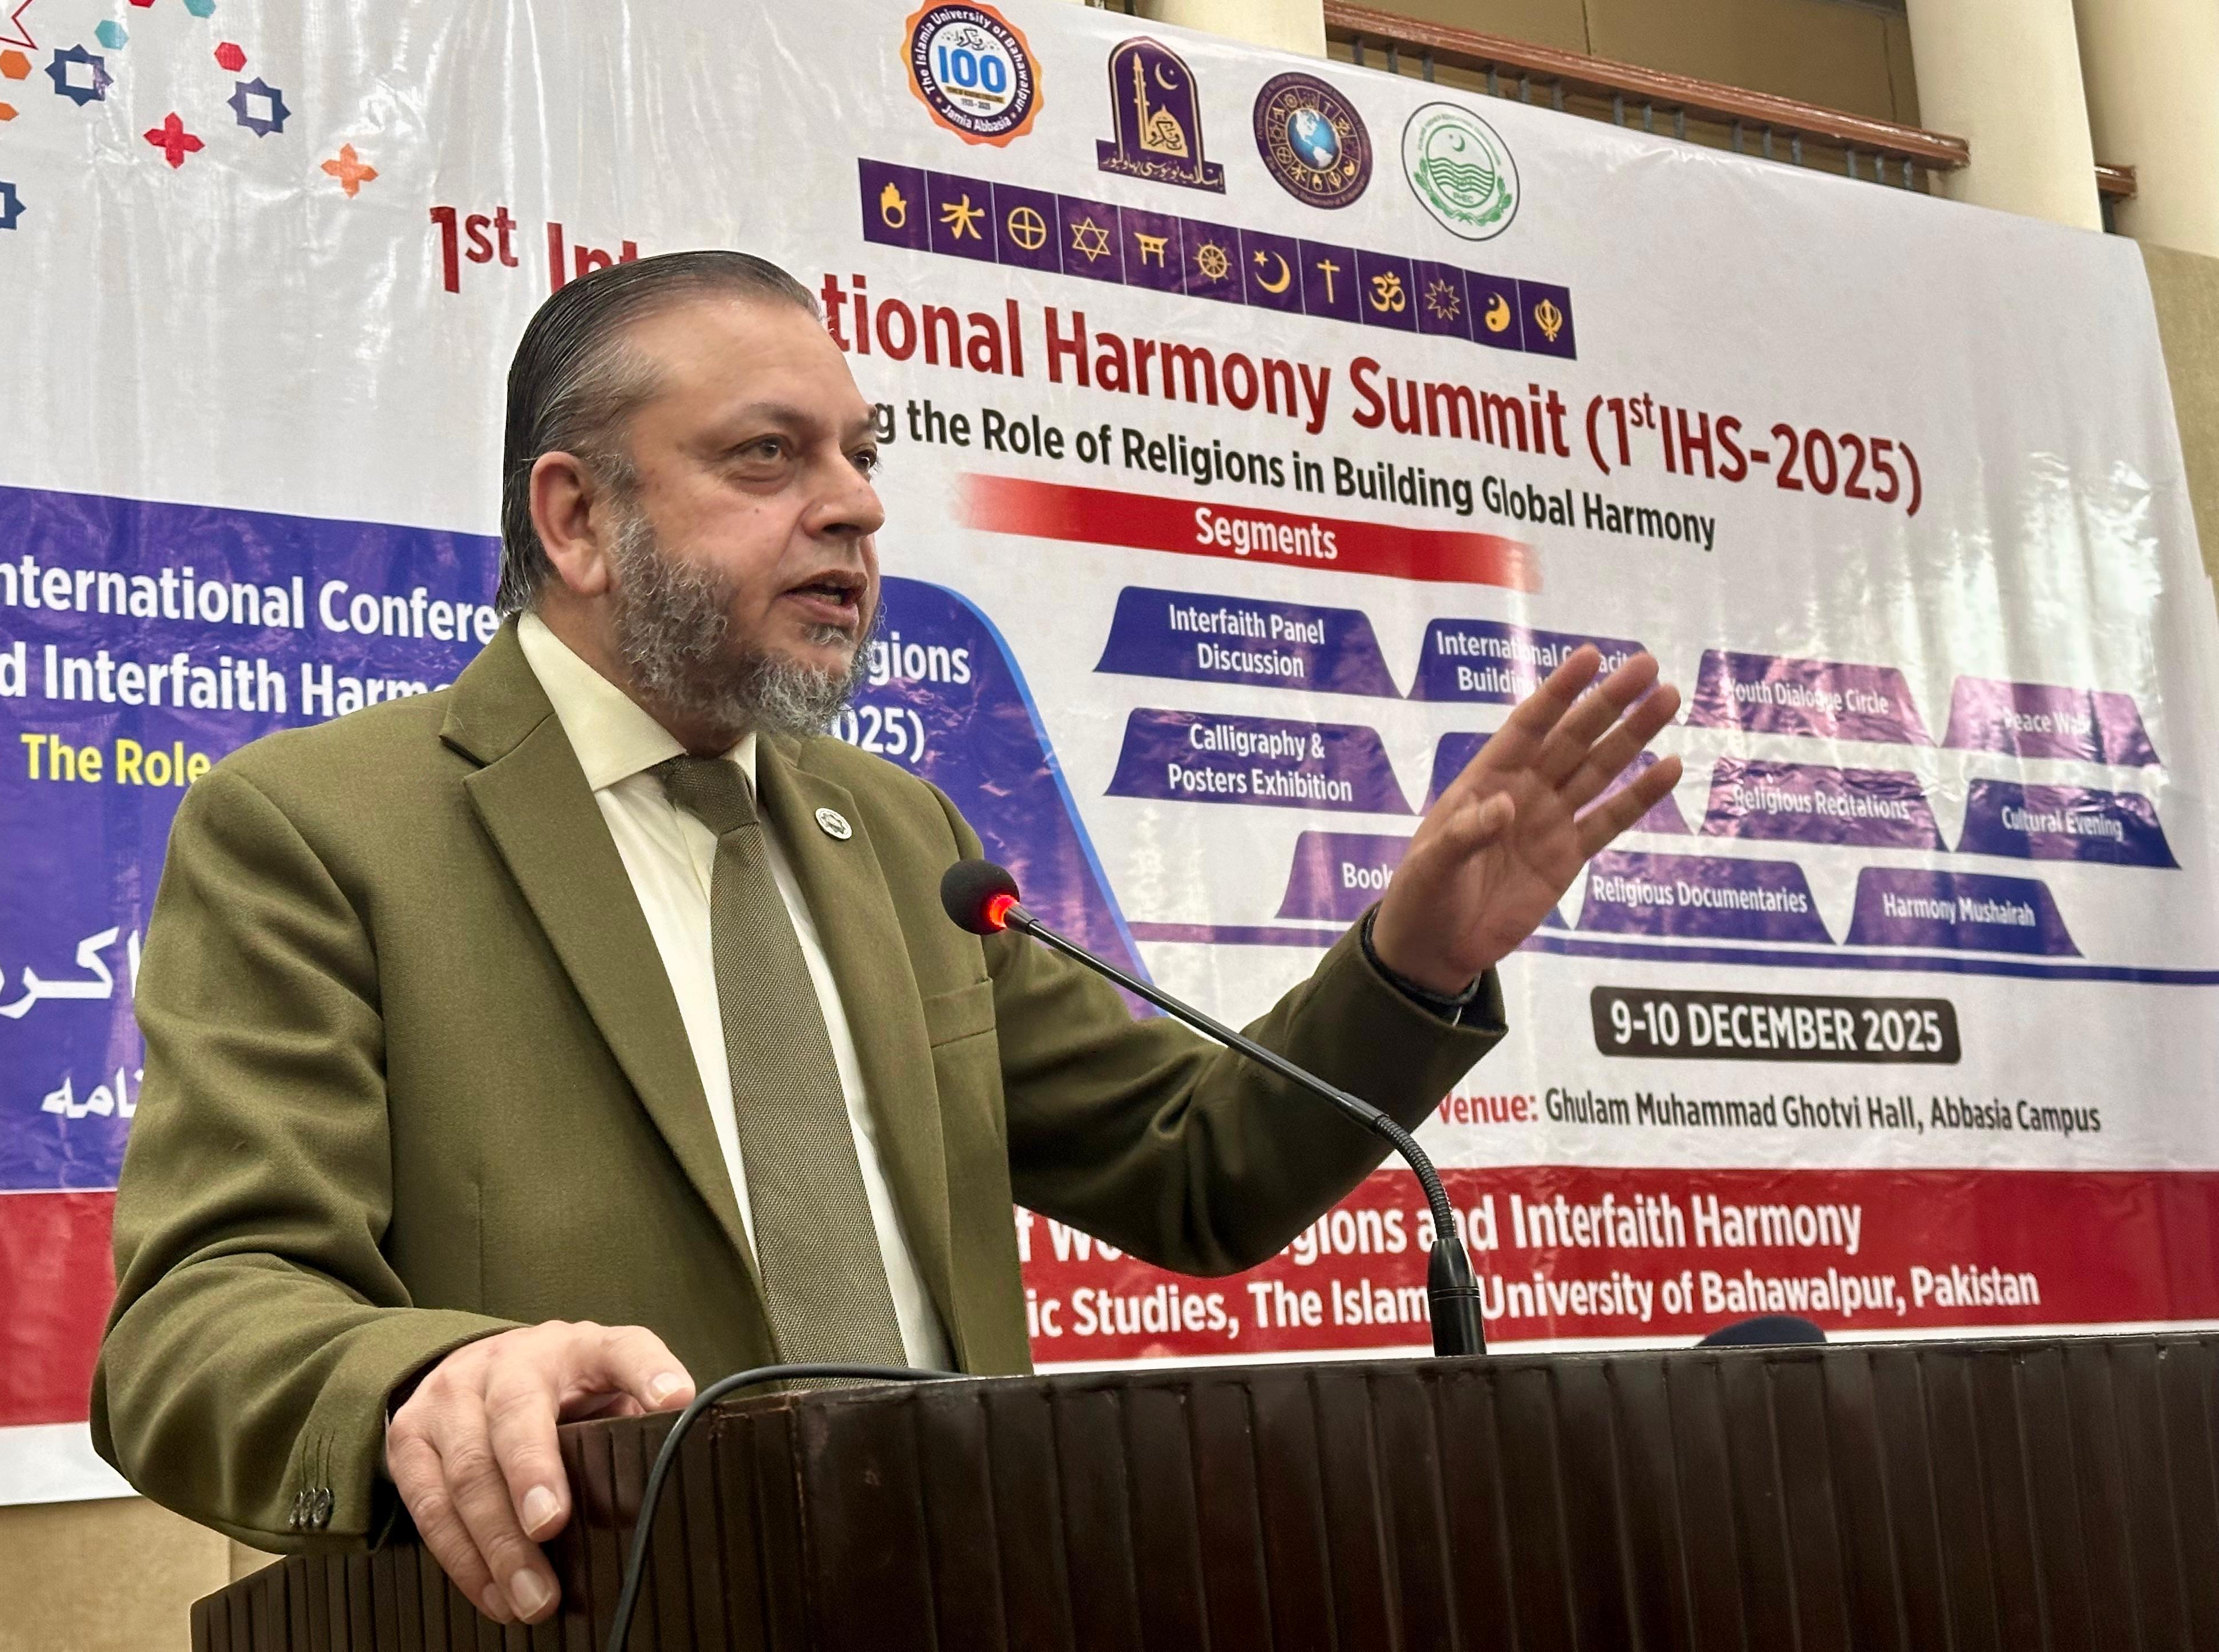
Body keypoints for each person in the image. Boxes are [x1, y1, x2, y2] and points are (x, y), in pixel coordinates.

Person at [92, 252, 1683, 1628]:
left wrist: (1413, 962)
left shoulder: (899, 836)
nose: (853, 506)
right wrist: (426, 1387)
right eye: (767, 456)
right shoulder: (324, 828)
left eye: (862, 456)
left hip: (968, 1602)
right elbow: (194, 1328)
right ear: (578, 519)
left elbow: (1198, 1169)